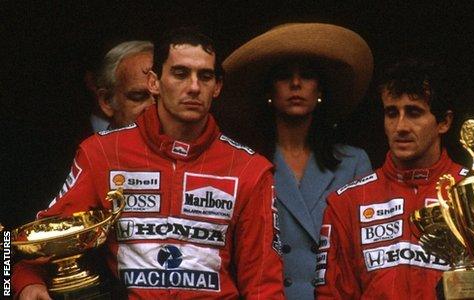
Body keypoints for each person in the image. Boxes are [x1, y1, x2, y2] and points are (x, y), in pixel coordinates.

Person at [13, 27, 285, 299]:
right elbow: (46, 233)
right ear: (154, 82)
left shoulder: (250, 169)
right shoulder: (102, 153)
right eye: (180, 73)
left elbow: (263, 283)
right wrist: (26, 281)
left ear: (217, 87)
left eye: (205, 76)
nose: (193, 87)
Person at [215, 23, 373, 300]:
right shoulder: (246, 163)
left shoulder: (354, 162)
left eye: (307, 76)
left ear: (320, 90)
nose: (296, 84)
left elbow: (366, 252)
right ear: (269, 91)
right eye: (284, 76)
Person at [314, 58, 468, 299]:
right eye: (392, 113)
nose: (401, 126)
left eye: (414, 113)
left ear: (444, 122)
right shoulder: (347, 202)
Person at [95, 40, 156, 129]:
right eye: (138, 96)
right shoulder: (93, 143)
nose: (154, 108)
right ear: (107, 102)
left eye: (163, 97)